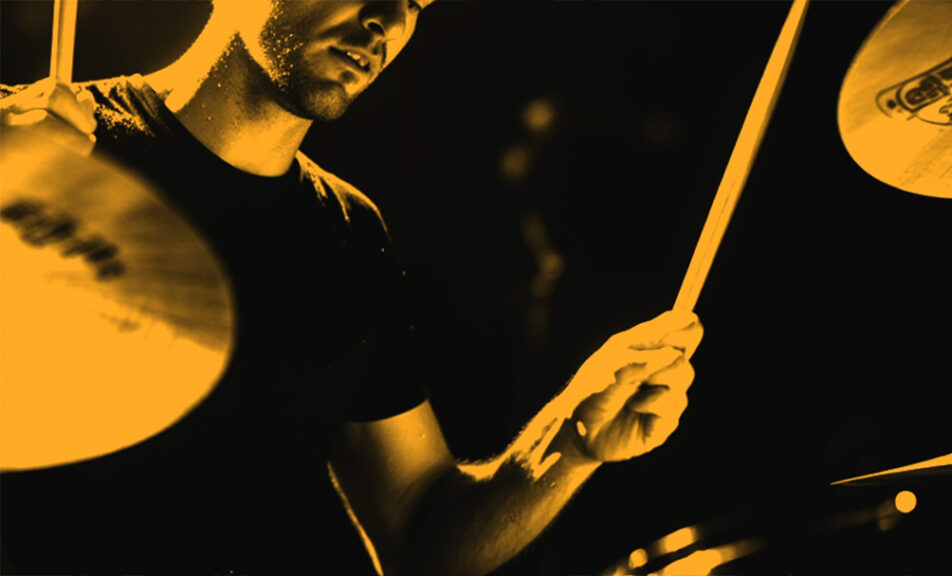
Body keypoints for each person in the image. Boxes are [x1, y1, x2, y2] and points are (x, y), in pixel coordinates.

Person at [0, 2, 703, 575]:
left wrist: (569, 442)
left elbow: (420, 535)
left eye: (416, 3)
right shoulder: (31, 144)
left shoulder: (348, 232)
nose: (387, 21)